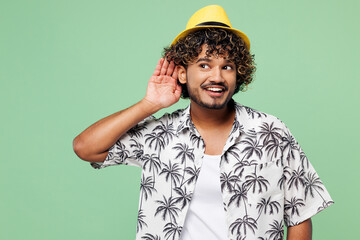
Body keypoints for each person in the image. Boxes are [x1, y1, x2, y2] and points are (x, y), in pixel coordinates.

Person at [73, 5, 333, 240]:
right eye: (205, 65)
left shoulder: (270, 131)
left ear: (238, 73)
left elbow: (300, 213)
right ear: (183, 73)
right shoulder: (161, 134)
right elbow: (86, 147)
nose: (217, 77)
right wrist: (149, 104)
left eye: (227, 66)